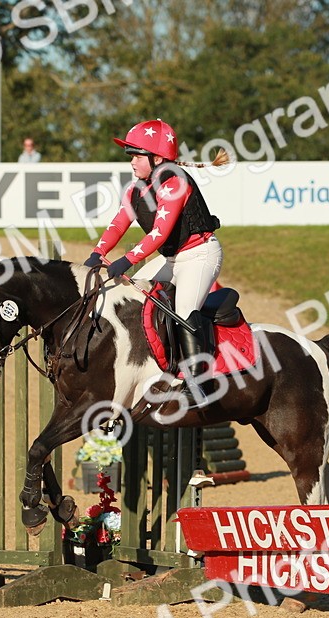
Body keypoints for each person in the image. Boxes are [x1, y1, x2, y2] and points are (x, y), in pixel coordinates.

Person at [84, 119, 225, 408]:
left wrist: (126, 260)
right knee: (133, 297)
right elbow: (118, 224)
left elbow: (159, 233)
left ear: (157, 158)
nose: (132, 161)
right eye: (131, 155)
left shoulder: (175, 183)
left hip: (200, 255)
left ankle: (199, 384)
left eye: (137, 155)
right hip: (172, 259)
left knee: (184, 311)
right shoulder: (135, 190)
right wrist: (97, 253)